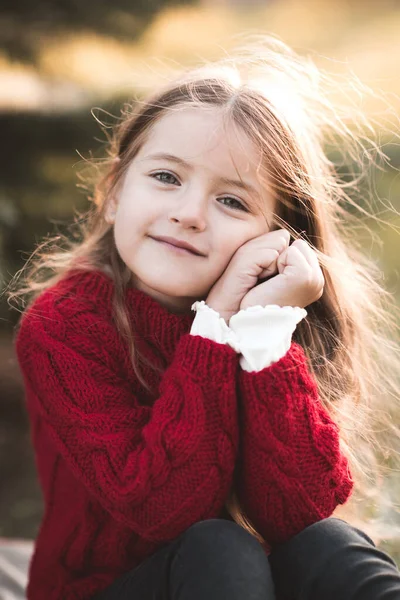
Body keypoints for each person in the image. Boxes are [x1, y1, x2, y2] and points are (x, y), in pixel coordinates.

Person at [6, 34, 400, 600]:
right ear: (115, 192)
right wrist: (213, 325)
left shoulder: (265, 325)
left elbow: (298, 513)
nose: (189, 214)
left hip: (233, 581)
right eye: (166, 177)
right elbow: (163, 509)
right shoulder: (64, 326)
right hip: (101, 589)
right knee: (217, 543)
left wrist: (262, 332)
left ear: (275, 239)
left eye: (232, 201)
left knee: (329, 543)